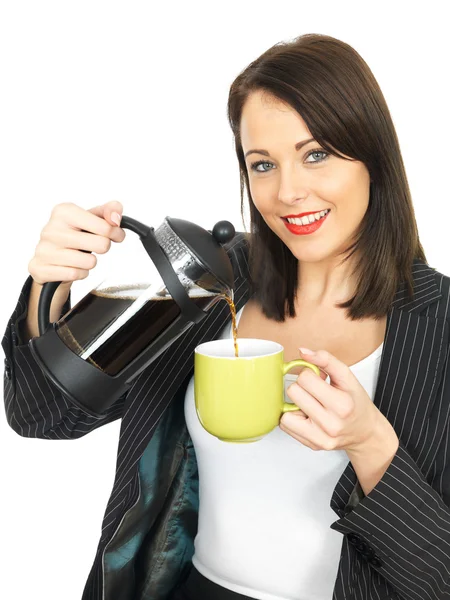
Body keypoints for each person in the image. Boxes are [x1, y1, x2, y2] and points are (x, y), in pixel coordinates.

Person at [3, 32, 450, 600]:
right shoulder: (214, 280)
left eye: (317, 154)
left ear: (374, 158)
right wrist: (52, 284)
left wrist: (370, 446)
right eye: (263, 165)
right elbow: (42, 415)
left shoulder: (440, 326)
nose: (288, 191)